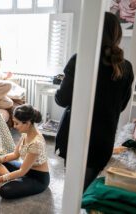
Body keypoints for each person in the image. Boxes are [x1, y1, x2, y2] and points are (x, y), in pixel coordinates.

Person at [55, 12, 134, 191]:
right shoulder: (126, 67)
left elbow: (62, 99)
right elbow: (121, 105)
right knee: (83, 191)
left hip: (76, 137)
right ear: (117, 35)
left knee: (73, 191)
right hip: (103, 140)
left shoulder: (80, 59)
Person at [0, 104, 50, 199]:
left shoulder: (36, 143)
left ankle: (14, 179)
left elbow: (22, 171)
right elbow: (15, 155)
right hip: (25, 169)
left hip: (38, 178)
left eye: (17, 123)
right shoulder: (25, 134)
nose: (14, 126)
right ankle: (14, 179)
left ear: (27, 123)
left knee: (4, 191)